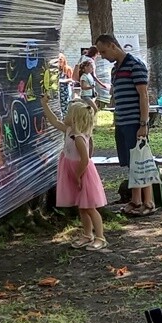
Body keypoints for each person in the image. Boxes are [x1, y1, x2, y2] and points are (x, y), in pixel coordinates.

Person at [40, 96, 108, 251]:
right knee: (82, 206)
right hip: (73, 171)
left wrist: (77, 175)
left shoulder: (78, 138)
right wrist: (45, 105)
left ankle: (100, 237)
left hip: (83, 173)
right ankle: (87, 234)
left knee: (90, 207)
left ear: (75, 119)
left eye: (68, 113)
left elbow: (84, 160)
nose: (65, 116)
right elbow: (54, 121)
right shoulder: (69, 131)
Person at [95, 33, 149, 211]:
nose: (102, 56)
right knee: (129, 161)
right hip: (121, 120)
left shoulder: (135, 65)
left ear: (112, 46)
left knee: (138, 160)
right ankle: (138, 200)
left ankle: (142, 201)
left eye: (103, 51)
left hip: (134, 121)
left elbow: (144, 95)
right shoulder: (115, 70)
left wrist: (143, 123)